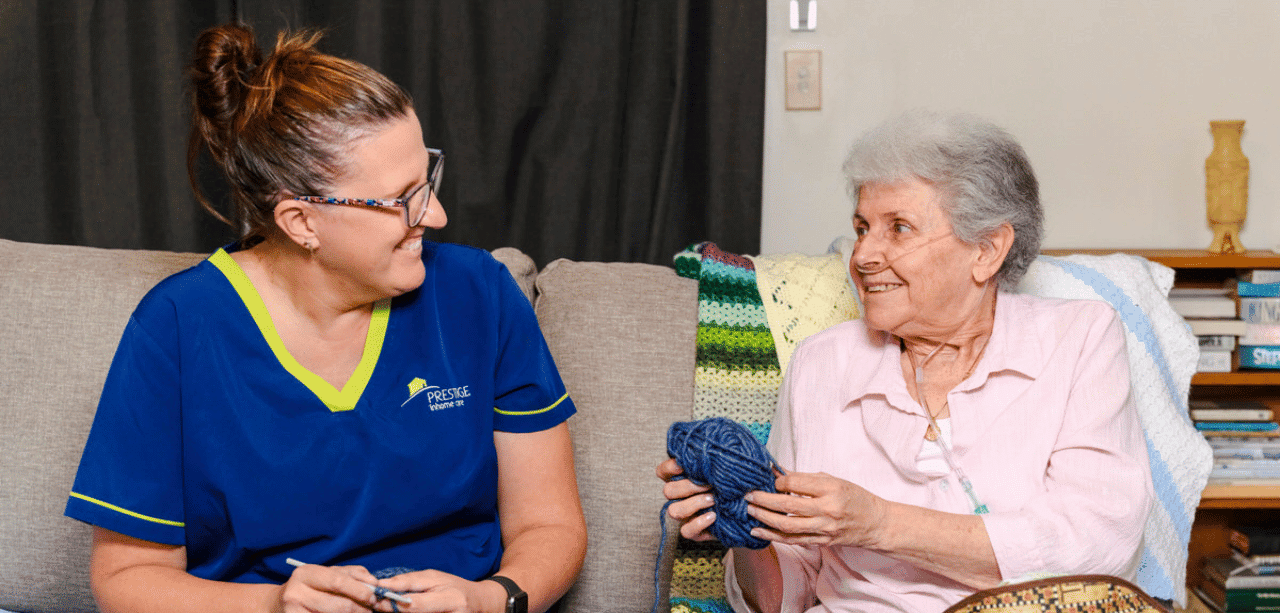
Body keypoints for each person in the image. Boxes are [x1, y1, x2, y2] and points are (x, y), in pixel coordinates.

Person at [64, 22, 585, 613]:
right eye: (403, 198)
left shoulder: (479, 295)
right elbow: (126, 576)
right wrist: (274, 606)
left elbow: (551, 526)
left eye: (429, 179)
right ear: (301, 222)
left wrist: (489, 599)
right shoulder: (178, 327)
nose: (435, 215)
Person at [657, 110, 1153, 613]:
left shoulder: (1080, 338)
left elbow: (1097, 548)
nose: (864, 255)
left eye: (899, 228)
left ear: (987, 249)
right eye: (861, 227)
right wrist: (747, 531)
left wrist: (878, 523)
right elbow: (788, 594)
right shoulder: (821, 363)